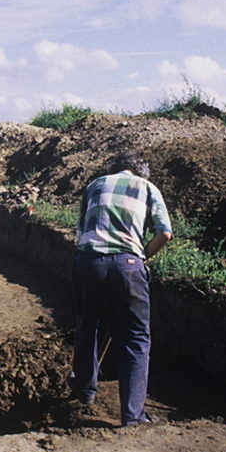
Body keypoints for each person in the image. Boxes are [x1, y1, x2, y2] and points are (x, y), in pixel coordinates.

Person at [70, 151, 172, 425]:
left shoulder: (95, 185)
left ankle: (85, 390)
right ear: (139, 172)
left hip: (89, 262)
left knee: (87, 326)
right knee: (136, 337)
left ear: (115, 169)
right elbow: (164, 233)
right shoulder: (148, 188)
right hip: (128, 264)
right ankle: (132, 415)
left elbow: (80, 233)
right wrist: (140, 258)